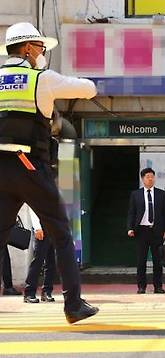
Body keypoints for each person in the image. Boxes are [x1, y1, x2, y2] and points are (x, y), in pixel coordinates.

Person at [0, 22, 98, 323]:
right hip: (30, 167)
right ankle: (73, 306)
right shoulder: (42, 78)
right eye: (40, 48)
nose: (42, 53)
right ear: (27, 48)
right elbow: (87, 88)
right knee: (61, 233)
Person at [127, 168, 165, 294]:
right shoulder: (136, 194)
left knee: (158, 261)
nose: (150, 179)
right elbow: (131, 212)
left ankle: (158, 286)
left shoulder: (161, 194)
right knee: (141, 261)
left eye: (152, 176)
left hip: (157, 231)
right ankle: (141, 287)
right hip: (141, 231)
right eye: (147, 177)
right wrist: (130, 228)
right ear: (142, 179)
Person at [22, 204, 57, 303]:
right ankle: (29, 293)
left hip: (53, 227)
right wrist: (37, 227)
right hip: (42, 228)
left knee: (51, 262)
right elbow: (33, 207)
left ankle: (47, 291)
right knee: (38, 260)